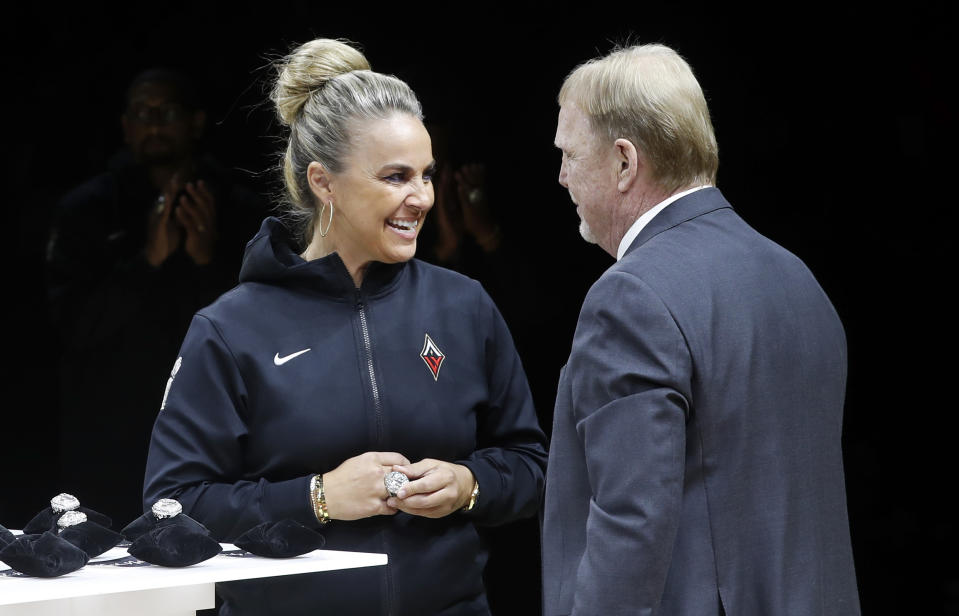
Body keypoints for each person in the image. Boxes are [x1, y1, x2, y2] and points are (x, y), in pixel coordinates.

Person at [143, 38, 547, 616]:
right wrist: (318, 497)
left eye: (427, 175)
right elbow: (172, 507)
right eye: (395, 176)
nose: (422, 197)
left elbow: (531, 466)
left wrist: (468, 484)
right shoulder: (230, 329)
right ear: (323, 183)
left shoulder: (466, 306)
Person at [541, 43, 860, 615]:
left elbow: (628, 530)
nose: (561, 176)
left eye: (568, 153)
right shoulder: (798, 278)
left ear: (623, 162)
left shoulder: (629, 297)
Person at [44, 68, 267, 525]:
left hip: (214, 421)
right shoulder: (86, 209)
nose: (154, 125)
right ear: (125, 125)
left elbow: (266, 325)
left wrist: (206, 260)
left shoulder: (240, 206)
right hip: (110, 425)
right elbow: (71, 327)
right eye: (141, 114)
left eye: (166, 112)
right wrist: (147, 261)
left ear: (196, 122)